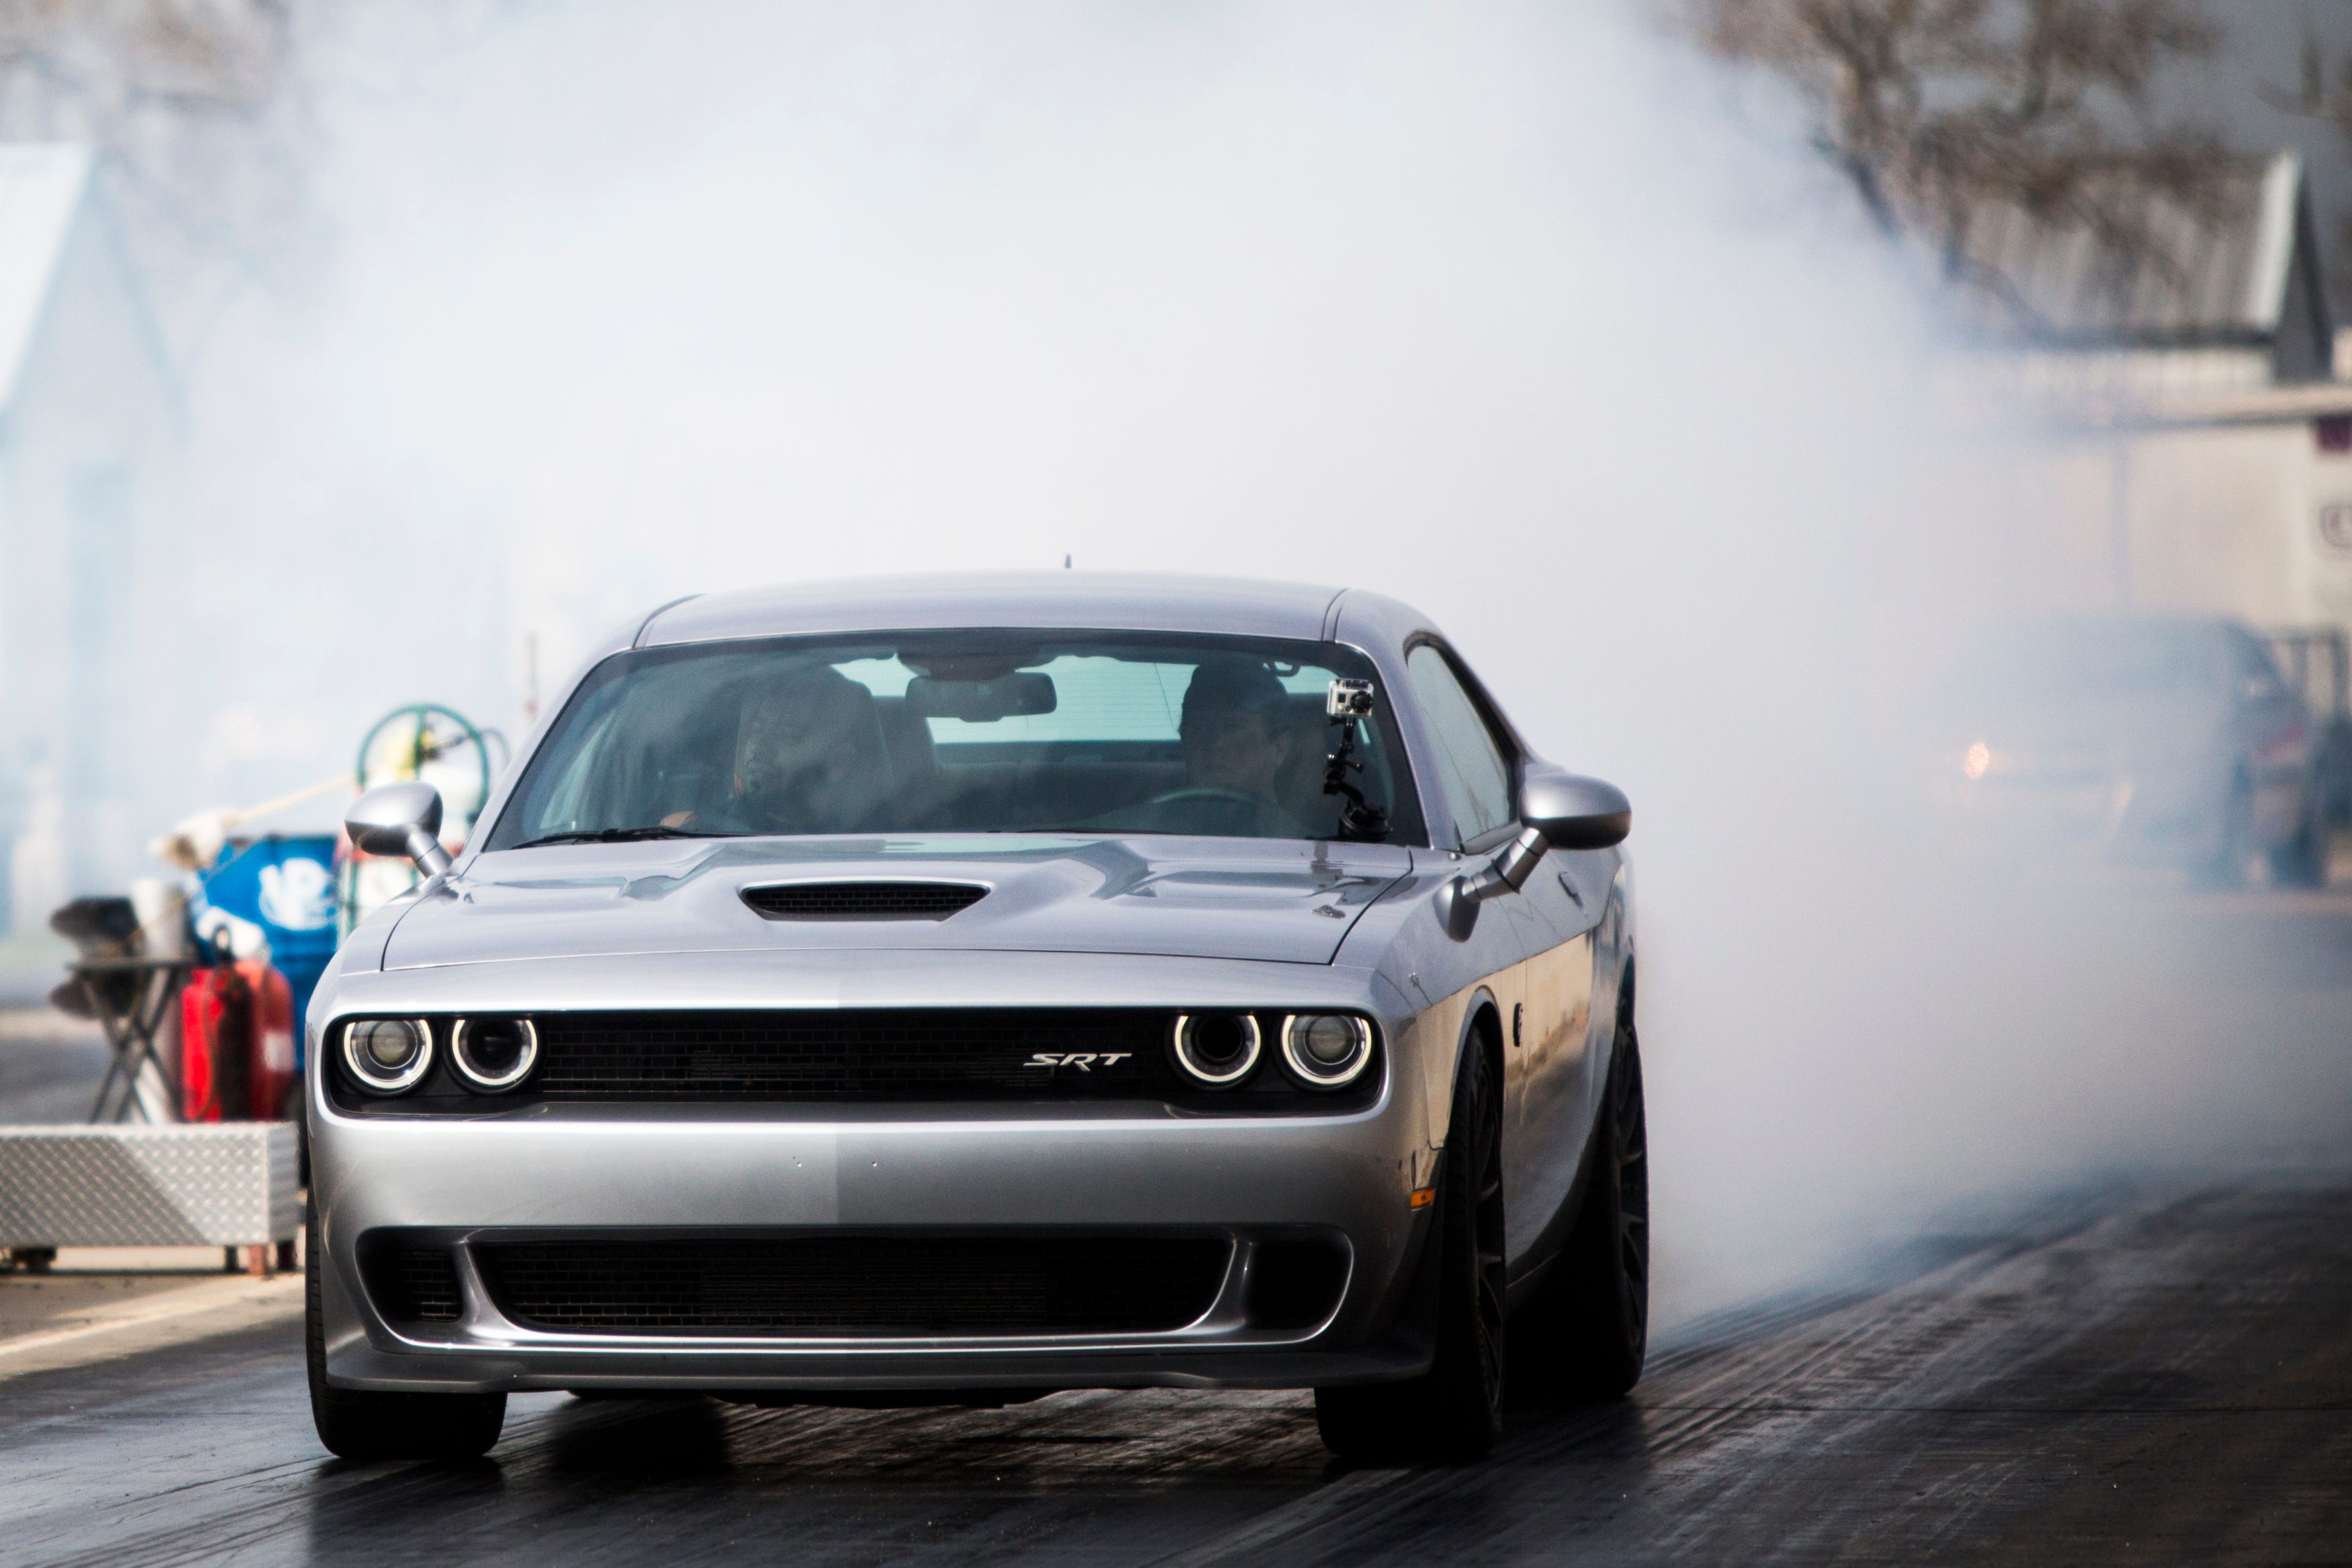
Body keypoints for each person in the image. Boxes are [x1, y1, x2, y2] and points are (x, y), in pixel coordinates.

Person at [666, 665, 892, 835]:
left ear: (839, 762)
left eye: (787, 735)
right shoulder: (684, 833)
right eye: (758, 731)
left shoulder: (875, 850)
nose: (761, 746)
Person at [1175, 657, 1307, 833]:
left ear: (1280, 748)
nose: (1215, 742)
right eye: (1201, 727)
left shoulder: (1313, 852)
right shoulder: (1134, 836)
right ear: (1185, 738)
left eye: (1232, 728)